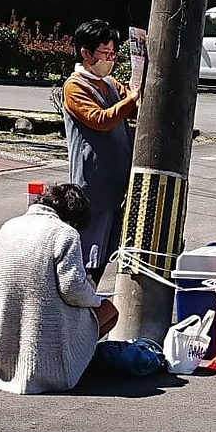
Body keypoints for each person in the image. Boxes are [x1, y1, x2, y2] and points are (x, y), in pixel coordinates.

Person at [0, 183, 118, 395]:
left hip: (6, 327)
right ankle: (66, 363)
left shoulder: (8, 226)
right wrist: (93, 297)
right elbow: (72, 289)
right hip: (44, 330)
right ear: (73, 217)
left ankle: (22, 365)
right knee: (109, 310)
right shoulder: (64, 234)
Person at [62, 19, 139, 286]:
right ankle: (79, 299)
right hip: (93, 180)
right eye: (105, 53)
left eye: (113, 53)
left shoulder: (109, 83)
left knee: (108, 244)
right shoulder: (75, 86)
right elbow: (100, 119)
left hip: (116, 178)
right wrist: (130, 100)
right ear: (86, 53)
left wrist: (134, 96)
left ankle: (89, 298)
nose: (110, 59)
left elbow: (131, 107)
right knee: (89, 246)